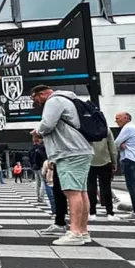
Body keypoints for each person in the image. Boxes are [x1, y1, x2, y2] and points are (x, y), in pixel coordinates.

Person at [32, 85, 93, 245]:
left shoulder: (54, 101)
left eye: (36, 98)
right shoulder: (70, 99)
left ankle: (74, 233)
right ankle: (83, 230)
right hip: (81, 149)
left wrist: (37, 131)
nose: (37, 102)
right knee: (81, 192)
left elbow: (47, 124)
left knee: (72, 192)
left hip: (68, 151)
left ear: (42, 93)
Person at [88, 127, 119, 219]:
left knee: (91, 187)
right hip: (105, 161)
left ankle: (92, 212)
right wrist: (114, 162)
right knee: (106, 187)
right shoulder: (106, 129)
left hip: (89, 160)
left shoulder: (85, 126)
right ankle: (110, 212)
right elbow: (112, 148)